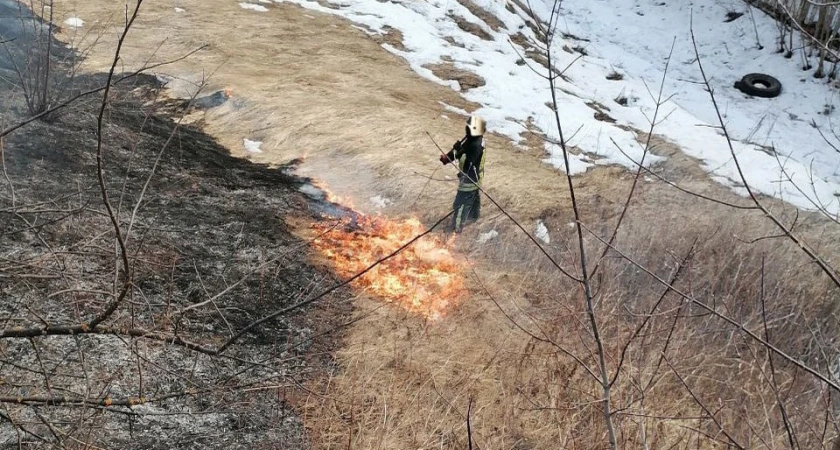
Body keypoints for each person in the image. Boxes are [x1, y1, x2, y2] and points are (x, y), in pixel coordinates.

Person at [439, 115, 486, 233]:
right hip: (476, 177)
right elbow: (461, 150)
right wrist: (447, 158)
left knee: (460, 204)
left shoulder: (476, 146)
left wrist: (459, 151)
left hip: (471, 179)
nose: (467, 129)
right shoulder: (472, 139)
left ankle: (456, 228)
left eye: (469, 127)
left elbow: (467, 164)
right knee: (473, 197)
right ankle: (473, 217)